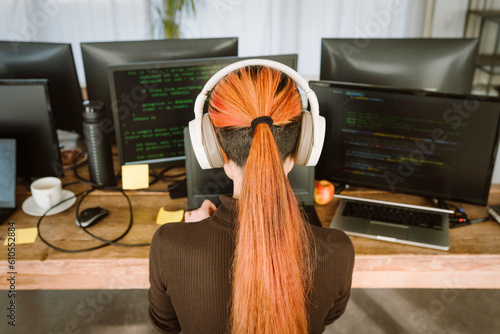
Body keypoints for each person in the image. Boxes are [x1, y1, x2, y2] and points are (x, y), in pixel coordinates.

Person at [148, 65, 355, 334]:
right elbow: (330, 316)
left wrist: (191, 234)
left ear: (213, 149)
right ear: (302, 147)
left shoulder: (169, 244)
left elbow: (165, 323)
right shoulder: (337, 249)